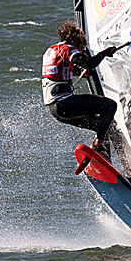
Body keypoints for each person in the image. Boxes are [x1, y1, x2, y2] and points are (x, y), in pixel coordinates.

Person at [42, 21, 119, 158]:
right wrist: (105, 53)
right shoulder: (67, 49)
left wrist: (83, 70)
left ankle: (103, 156)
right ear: (73, 40)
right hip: (65, 103)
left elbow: (69, 69)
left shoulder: (50, 51)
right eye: (81, 48)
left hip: (55, 110)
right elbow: (88, 63)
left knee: (101, 126)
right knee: (110, 105)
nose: (81, 51)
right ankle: (98, 145)